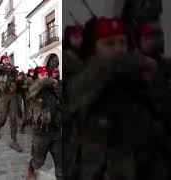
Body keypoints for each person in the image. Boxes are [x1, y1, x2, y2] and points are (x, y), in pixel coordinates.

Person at [64, 16, 170, 180]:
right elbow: (104, 69)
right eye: (109, 43)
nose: (119, 48)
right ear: (94, 49)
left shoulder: (137, 79)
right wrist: (139, 60)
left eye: (122, 42)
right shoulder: (85, 79)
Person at [26, 66, 62, 180]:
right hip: (41, 131)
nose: (45, 76)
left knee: (60, 158)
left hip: (55, 129)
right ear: (37, 77)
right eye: (42, 75)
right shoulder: (33, 87)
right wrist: (50, 80)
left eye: (46, 74)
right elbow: (33, 89)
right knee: (38, 161)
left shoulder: (53, 88)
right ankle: (30, 168)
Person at [0, 55, 22, 152]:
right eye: (5, 60)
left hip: (13, 95)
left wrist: (18, 78)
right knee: (3, 118)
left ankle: (14, 141)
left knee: (13, 118)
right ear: (2, 61)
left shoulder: (12, 69)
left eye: (7, 59)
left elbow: (15, 79)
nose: (7, 61)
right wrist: (8, 67)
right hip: (3, 96)